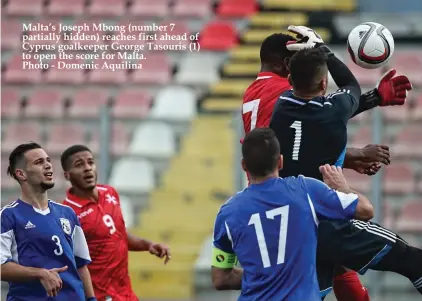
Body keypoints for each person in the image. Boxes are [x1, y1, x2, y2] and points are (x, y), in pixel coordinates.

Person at [242, 27, 413, 301]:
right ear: (287, 64)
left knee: (335, 277)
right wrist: (354, 155)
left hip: (281, 204)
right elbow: (313, 127)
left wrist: (373, 99)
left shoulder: (259, 92)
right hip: (290, 207)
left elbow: (311, 126)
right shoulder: (280, 92)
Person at [211, 127, 374, 301]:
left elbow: (220, 279)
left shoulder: (228, 213)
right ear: (280, 161)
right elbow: (366, 209)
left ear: (244, 165)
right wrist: (342, 186)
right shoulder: (306, 190)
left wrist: (262, 277)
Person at [60, 144, 171, 301]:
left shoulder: (109, 193)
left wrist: (148, 245)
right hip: (99, 295)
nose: (87, 168)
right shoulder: (67, 213)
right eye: (79, 165)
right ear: (67, 175)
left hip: (125, 292)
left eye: (90, 163)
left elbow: (117, 234)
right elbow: (69, 263)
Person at [1, 142, 96, 301]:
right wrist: (40, 273)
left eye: (48, 161)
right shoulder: (9, 216)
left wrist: (91, 299)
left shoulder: (67, 213)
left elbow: (80, 265)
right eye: (39, 162)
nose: (48, 166)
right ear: (21, 174)